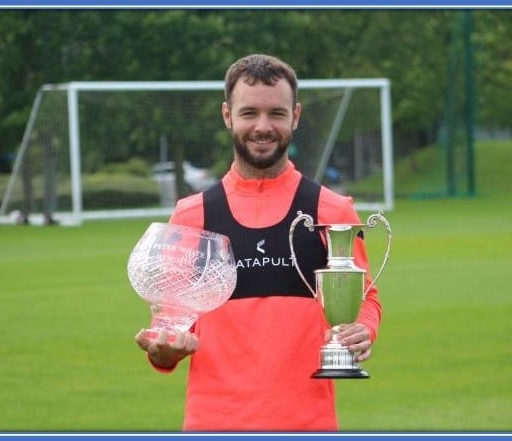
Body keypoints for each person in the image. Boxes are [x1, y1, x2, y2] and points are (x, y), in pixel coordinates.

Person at [135, 53, 382, 432]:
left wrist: (363, 329)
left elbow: (365, 296)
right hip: (213, 425)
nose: (262, 127)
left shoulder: (331, 210)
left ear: (295, 116)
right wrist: (163, 351)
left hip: (307, 424)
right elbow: (169, 329)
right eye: (249, 113)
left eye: (276, 114)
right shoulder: (191, 216)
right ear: (227, 115)